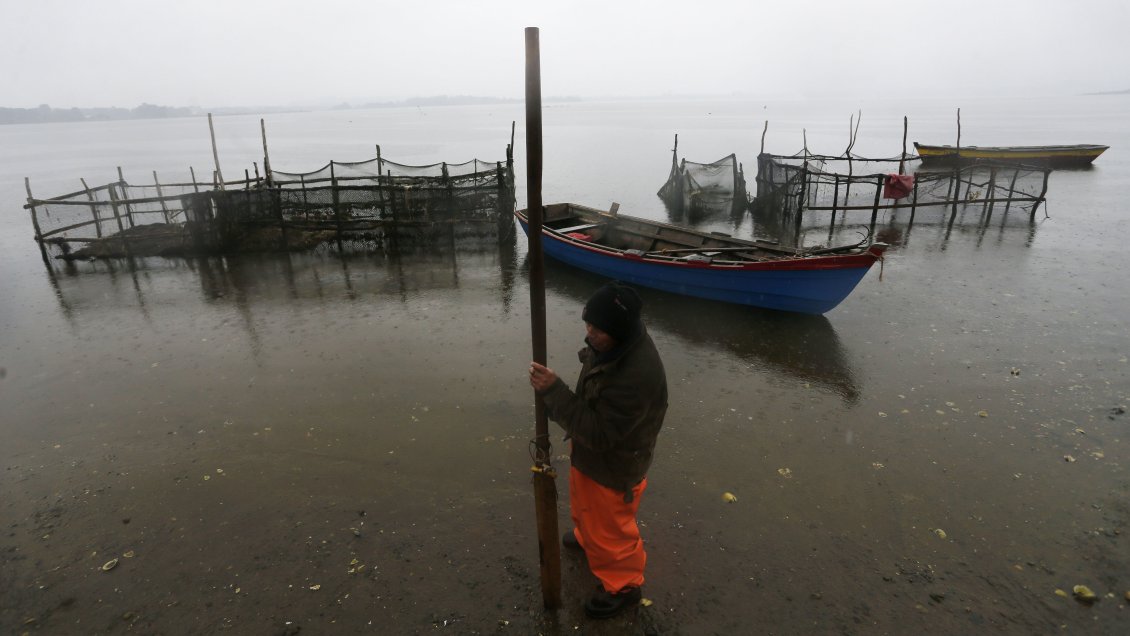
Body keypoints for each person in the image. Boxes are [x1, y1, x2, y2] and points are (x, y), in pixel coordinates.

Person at [528, 281, 668, 619]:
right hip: (591, 457)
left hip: (614, 466)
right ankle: (588, 535)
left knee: (612, 531)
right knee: (584, 503)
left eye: (597, 330)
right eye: (587, 325)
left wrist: (555, 393)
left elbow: (601, 434)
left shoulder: (637, 375)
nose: (589, 335)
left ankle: (624, 587)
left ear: (617, 331)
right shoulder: (613, 344)